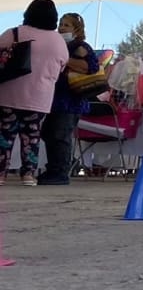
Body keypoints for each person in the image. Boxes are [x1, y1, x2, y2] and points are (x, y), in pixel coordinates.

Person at [0, 0, 66, 187]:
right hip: (39, 97)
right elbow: (62, 65)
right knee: (32, 135)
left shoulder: (14, 33)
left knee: (5, 134)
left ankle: (1, 174)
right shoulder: (58, 40)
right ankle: (28, 174)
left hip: (8, 94)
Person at [38, 12, 100, 185]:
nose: (61, 27)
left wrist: (64, 59)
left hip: (71, 99)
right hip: (55, 98)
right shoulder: (57, 45)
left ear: (76, 29)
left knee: (60, 134)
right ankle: (56, 167)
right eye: (61, 24)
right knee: (49, 133)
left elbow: (91, 67)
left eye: (66, 25)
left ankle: (60, 171)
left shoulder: (81, 47)